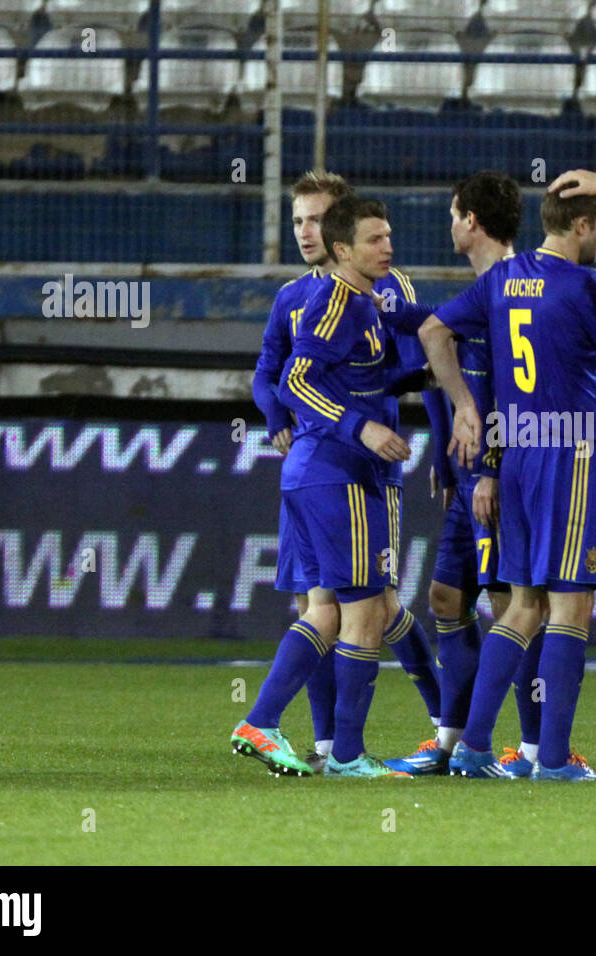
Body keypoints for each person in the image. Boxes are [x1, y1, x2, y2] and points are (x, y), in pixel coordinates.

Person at [418, 188, 596, 781]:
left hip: (512, 457)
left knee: (521, 605)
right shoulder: (585, 287)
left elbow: (433, 332)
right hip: (567, 452)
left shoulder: (504, 278)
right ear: (582, 225)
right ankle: (554, 761)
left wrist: (464, 406)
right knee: (571, 605)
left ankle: (474, 748)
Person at [232, 194, 412, 777]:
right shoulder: (337, 299)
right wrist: (364, 429)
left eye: (389, 237)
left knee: (326, 613)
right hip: (339, 473)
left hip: (314, 473)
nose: (388, 247)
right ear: (345, 247)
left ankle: (275, 728)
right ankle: (344, 753)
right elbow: (292, 378)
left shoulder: (366, 299)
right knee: (363, 613)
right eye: (376, 239)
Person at [385, 171, 546, 775]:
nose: (449, 225)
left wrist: (492, 471)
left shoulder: (517, 292)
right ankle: (451, 739)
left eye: (454, 214)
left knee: (514, 608)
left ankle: (532, 748)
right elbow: (438, 367)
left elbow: (516, 393)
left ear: (471, 221)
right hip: (466, 476)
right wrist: (447, 458)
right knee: (447, 599)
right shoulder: (478, 292)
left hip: (499, 480)